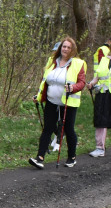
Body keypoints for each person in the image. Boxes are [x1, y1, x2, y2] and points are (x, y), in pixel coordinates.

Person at [30, 37, 87, 169]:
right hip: (51, 101)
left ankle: (71, 157)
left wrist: (72, 88)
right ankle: (40, 157)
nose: (65, 49)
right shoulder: (52, 61)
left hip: (68, 102)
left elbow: (82, 82)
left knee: (68, 129)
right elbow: (45, 80)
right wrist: (38, 96)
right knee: (48, 129)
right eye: (63, 46)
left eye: (68, 47)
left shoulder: (78, 63)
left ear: (73, 50)